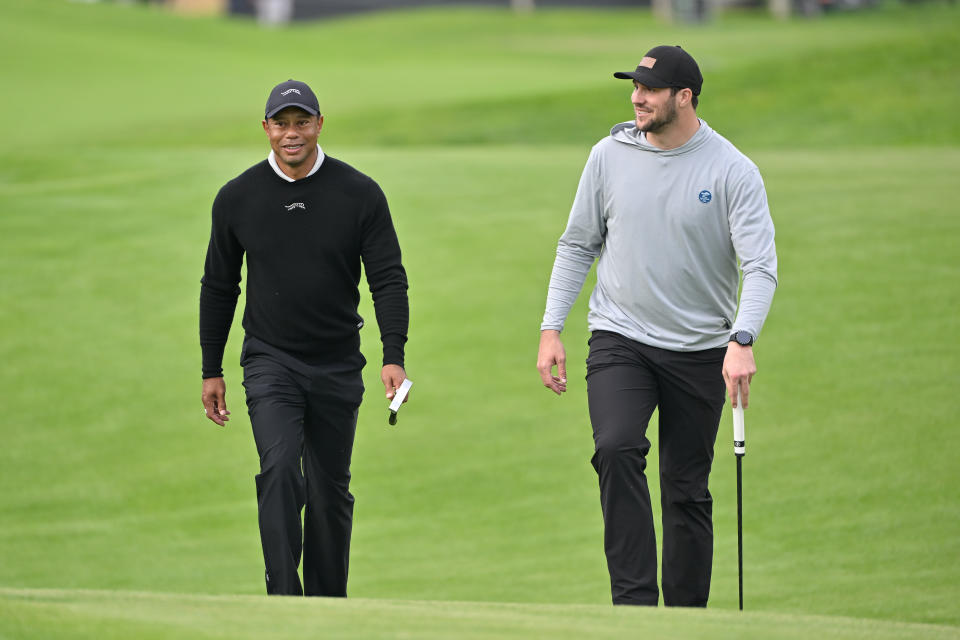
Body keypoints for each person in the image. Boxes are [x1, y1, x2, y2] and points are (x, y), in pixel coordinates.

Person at [536, 46, 777, 607]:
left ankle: (687, 617)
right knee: (616, 448)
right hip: (621, 339)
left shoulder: (732, 170)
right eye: (634, 87)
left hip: (700, 349)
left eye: (649, 89)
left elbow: (759, 266)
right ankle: (636, 607)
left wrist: (742, 339)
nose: (636, 98)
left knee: (686, 489)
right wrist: (552, 328)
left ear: (684, 97)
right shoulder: (608, 155)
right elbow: (577, 244)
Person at [199, 79, 410, 597]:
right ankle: (283, 597)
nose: (291, 134)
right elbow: (219, 286)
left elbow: (387, 277)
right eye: (281, 123)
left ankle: (326, 604)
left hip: (338, 362)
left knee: (329, 490)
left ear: (319, 124)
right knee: (278, 470)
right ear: (266, 128)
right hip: (270, 359)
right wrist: (211, 368)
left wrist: (393, 354)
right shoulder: (237, 198)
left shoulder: (359, 193)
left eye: (301, 122)